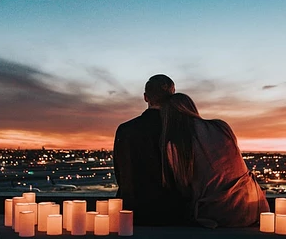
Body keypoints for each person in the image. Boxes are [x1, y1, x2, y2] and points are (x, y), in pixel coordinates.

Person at [159, 93, 270, 228]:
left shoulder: (176, 145)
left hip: (219, 214)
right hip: (255, 206)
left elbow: (184, 187)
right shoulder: (221, 126)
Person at [113, 74, 189, 225]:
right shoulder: (182, 129)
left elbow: (120, 173)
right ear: (172, 97)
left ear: (145, 97)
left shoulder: (125, 130)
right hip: (173, 212)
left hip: (132, 211)